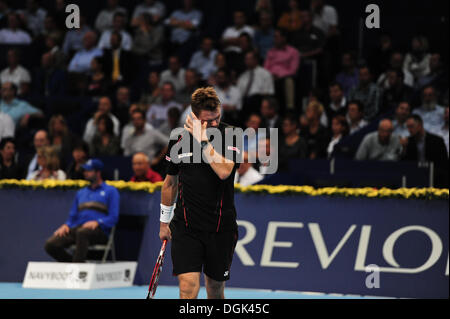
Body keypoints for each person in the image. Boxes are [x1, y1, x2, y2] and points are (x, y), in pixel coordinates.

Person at [160, 87, 241, 299]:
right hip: (186, 227)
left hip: (220, 227)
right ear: (194, 117)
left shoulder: (232, 134)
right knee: (188, 287)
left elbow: (224, 172)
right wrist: (163, 222)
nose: (214, 123)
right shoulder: (178, 139)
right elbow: (170, 183)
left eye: (217, 118)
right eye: (208, 120)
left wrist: (203, 139)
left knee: (214, 288)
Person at [44, 159, 119, 262]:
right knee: (51, 244)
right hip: (79, 228)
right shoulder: (81, 193)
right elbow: (73, 215)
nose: (85, 173)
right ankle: (75, 265)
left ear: (98, 172)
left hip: (100, 231)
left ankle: (77, 266)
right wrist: (67, 225)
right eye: (84, 171)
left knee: (82, 233)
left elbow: (113, 217)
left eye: (89, 171)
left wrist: (98, 222)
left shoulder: (111, 191)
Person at [403, 114, 448, 187]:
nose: (409, 130)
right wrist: (404, 149)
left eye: (411, 126)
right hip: (414, 180)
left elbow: (444, 165)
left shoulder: (437, 141)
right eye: (408, 127)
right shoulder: (409, 142)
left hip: (435, 179)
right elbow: (405, 164)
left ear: (420, 125)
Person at [264, 29, 300, 110]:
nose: (274, 39)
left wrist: (279, 76)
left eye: (277, 37)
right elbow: (265, 68)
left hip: (284, 78)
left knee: (289, 81)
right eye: (274, 37)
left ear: (284, 38)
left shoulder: (293, 52)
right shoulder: (270, 52)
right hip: (271, 78)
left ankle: (290, 108)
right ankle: (266, 109)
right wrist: (271, 75)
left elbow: (293, 70)